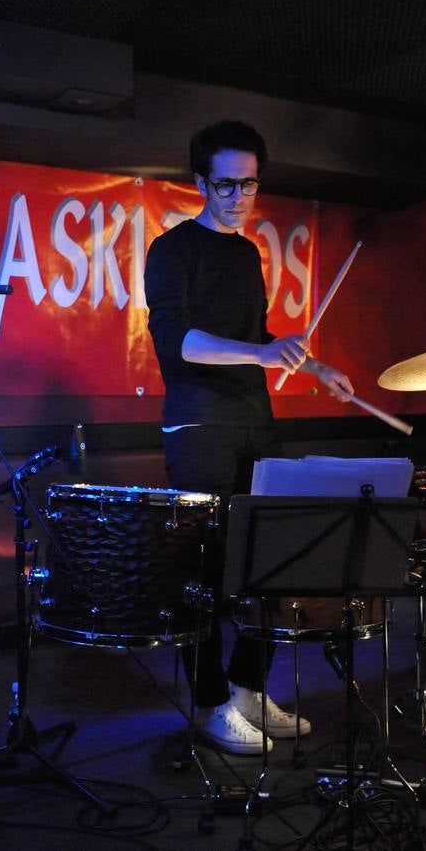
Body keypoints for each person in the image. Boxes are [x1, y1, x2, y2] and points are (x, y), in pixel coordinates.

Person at [144, 121, 354, 754]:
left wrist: (312, 366)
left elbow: (258, 339)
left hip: (253, 420)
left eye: (250, 182)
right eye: (227, 183)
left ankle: (246, 689)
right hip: (199, 420)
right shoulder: (173, 249)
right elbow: (178, 342)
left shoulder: (246, 253)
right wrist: (263, 355)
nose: (240, 195)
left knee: (273, 558)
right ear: (201, 182)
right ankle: (209, 706)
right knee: (205, 572)